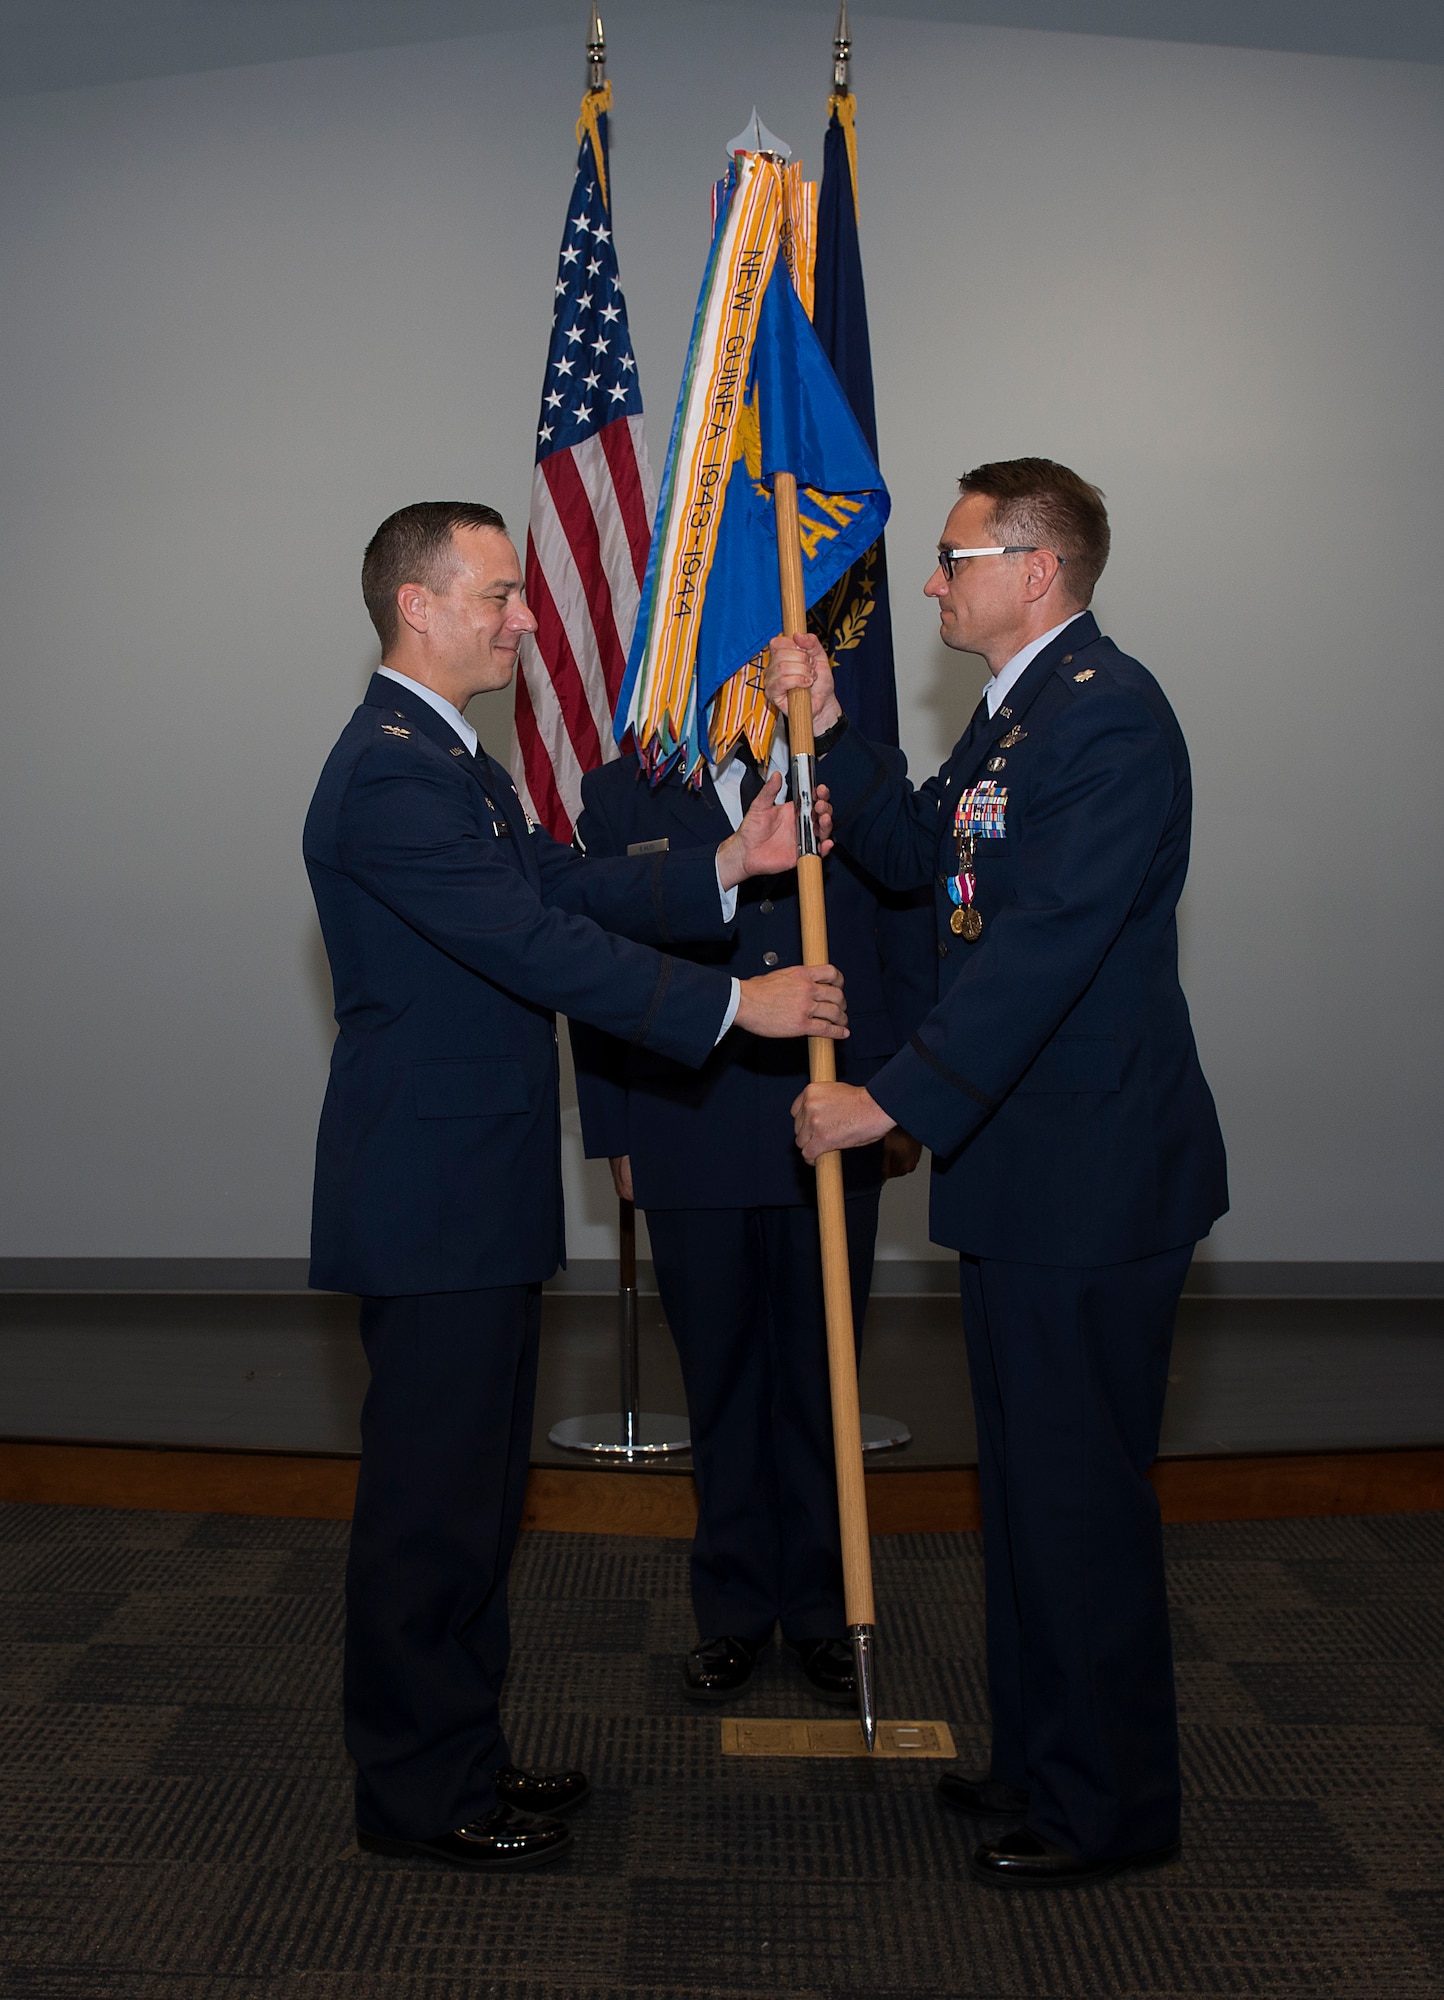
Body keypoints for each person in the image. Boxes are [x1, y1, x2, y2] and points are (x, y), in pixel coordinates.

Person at [304, 501, 849, 1874]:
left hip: (469, 1191)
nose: (526, 618)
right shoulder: (388, 774)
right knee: (432, 1513)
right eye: (498, 595)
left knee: (479, 1505)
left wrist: (729, 862)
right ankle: (420, 1796)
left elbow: (558, 880)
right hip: (429, 1199)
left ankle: (461, 1757)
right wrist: (740, 1008)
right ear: (417, 606)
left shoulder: (453, 764)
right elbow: (538, 948)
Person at [768, 458, 1227, 1890]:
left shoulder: (1109, 719)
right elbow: (916, 856)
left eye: (954, 555)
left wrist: (888, 1103)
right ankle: (1041, 1761)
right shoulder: (1019, 714)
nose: (932, 579)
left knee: (1080, 1498)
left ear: (1034, 568)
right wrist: (834, 729)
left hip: (1093, 1180)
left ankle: (1109, 1810)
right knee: (1027, 1494)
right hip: (1032, 1179)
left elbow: (1039, 954)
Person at [570, 722, 931, 1706]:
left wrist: (903, 1096)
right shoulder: (618, 793)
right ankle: (731, 1608)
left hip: (834, 1115)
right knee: (721, 1379)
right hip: (686, 1118)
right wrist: (615, 1131)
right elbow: (591, 971)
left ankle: (821, 1606)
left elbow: (904, 921)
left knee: (823, 1379)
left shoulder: (848, 770)